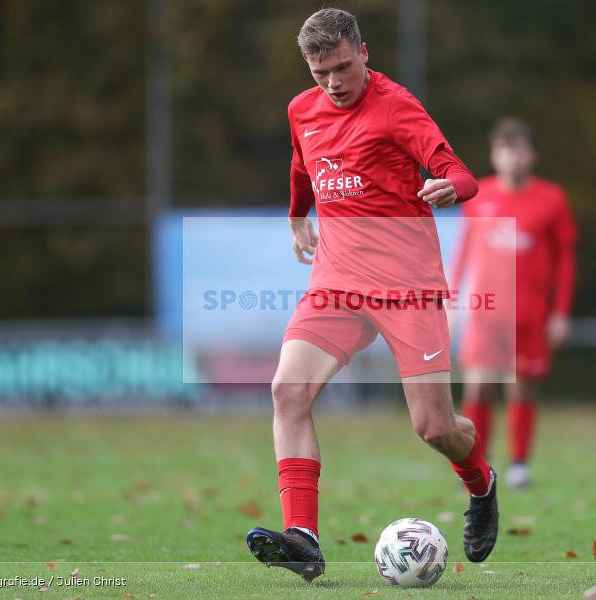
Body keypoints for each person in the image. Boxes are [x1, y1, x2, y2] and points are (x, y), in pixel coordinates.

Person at [245, 8, 498, 582]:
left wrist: (447, 189)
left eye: (341, 67)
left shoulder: (396, 107)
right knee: (287, 391)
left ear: (363, 51)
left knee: (436, 429)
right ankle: (303, 539)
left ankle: (480, 484)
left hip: (408, 286)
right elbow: (301, 166)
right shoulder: (300, 109)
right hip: (336, 282)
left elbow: (461, 172)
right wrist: (295, 218)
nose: (332, 83)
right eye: (319, 73)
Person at [451, 118, 578, 490]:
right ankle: (478, 464)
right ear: (494, 155)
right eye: (505, 149)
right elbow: (465, 251)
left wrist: (560, 312)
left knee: (521, 388)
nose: (512, 157)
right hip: (485, 314)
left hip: (528, 313)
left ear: (532, 155)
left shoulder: (552, 200)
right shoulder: (479, 197)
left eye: (520, 149)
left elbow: (565, 259)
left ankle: (519, 463)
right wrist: (453, 298)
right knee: (478, 387)